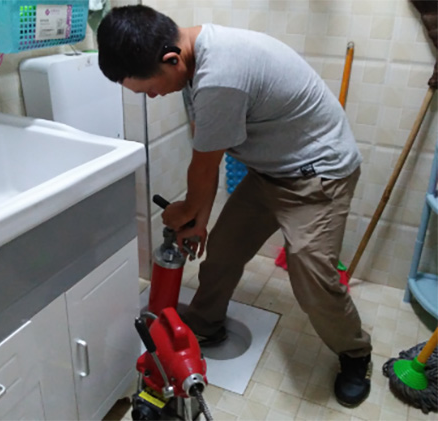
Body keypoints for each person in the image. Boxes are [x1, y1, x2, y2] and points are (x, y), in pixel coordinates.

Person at [97, 5, 372, 408]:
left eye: (149, 89)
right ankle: (206, 324)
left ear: (171, 59)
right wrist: (198, 219)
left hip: (318, 176)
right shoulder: (189, 60)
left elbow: (204, 165)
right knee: (223, 251)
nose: (153, 96)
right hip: (270, 170)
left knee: (312, 275)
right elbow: (207, 150)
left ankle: (355, 353)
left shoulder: (220, 75)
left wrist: (187, 211)